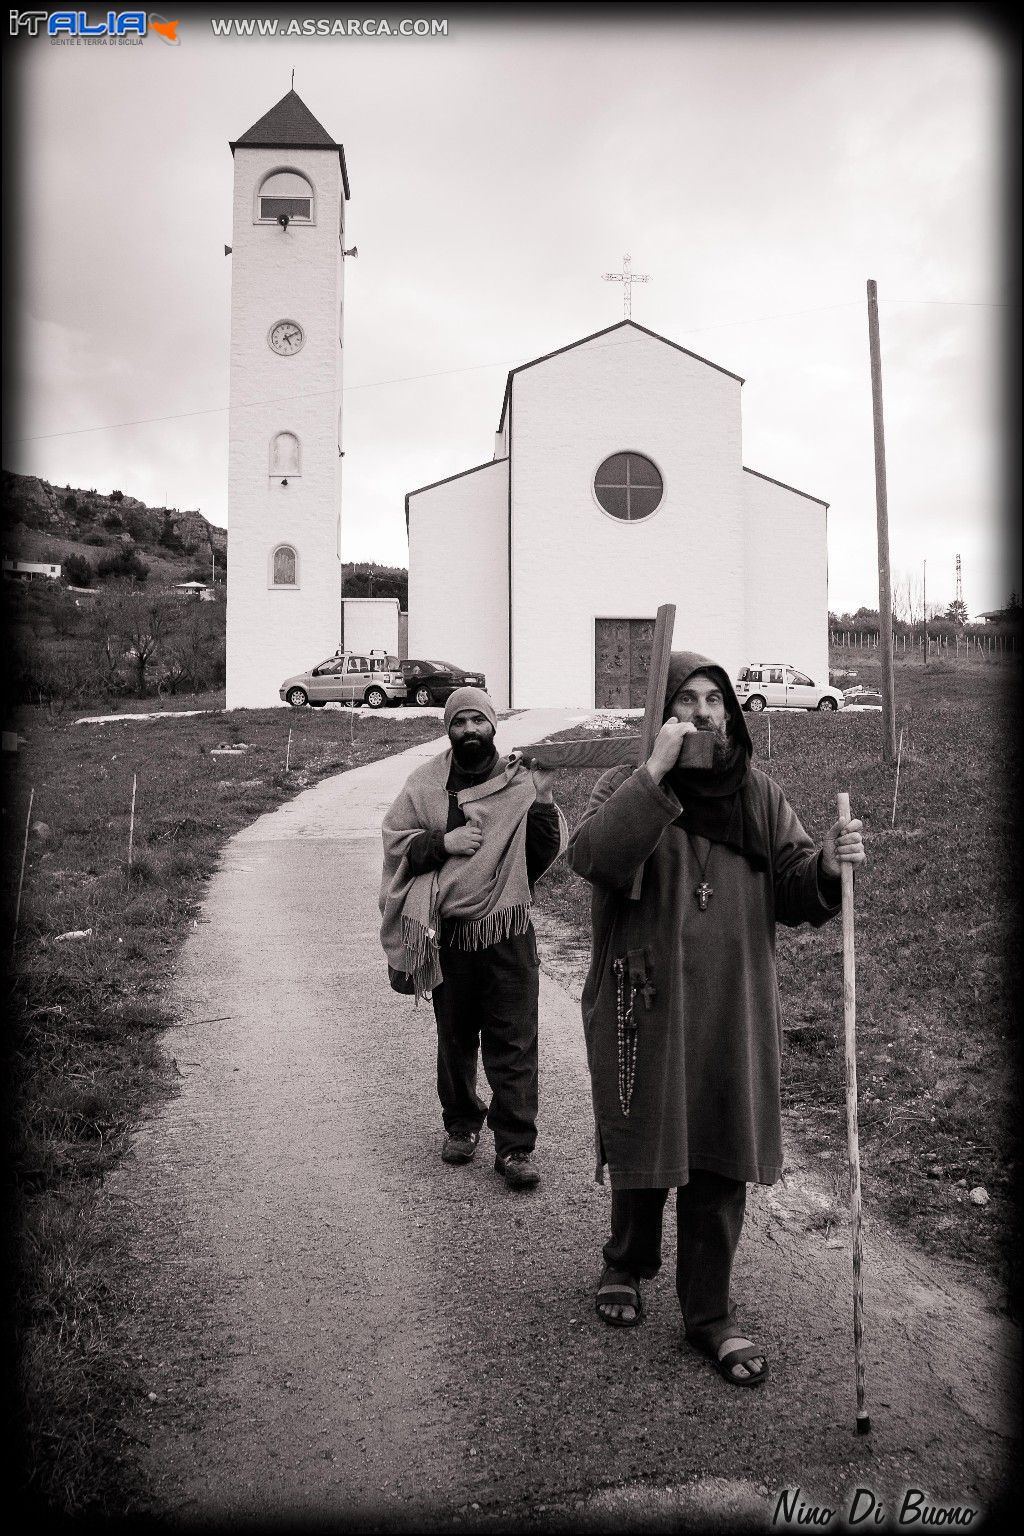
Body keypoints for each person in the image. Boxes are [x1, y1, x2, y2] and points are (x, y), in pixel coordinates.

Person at [566, 651, 865, 1386]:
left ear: (731, 714)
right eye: (686, 701)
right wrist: (653, 778)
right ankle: (627, 1262)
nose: (702, 714)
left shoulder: (759, 797)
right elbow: (595, 857)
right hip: (646, 1001)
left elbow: (794, 885)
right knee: (649, 1140)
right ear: (661, 715)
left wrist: (825, 864)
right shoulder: (626, 783)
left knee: (719, 1154)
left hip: (732, 1005)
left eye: (714, 701)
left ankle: (710, 1315)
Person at [379, 688, 566, 1189]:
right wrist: (443, 842)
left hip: (508, 933)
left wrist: (544, 797)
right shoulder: (423, 785)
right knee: (455, 1038)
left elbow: (540, 855)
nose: (468, 730)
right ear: (448, 728)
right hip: (449, 934)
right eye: (459, 721)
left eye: (476, 721)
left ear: (493, 727)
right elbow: (396, 844)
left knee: (513, 1041)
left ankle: (515, 1147)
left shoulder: (517, 783)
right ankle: (461, 1125)